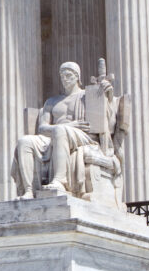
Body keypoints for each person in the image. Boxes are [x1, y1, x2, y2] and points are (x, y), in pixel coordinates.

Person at [11, 62, 96, 198]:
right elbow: (42, 127)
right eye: (62, 76)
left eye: (68, 75)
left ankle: (60, 180)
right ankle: (28, 190)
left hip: (82, 135)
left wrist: (107, 94)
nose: (65, 79)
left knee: (60, 131)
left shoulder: (88, 96)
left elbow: (106, 111)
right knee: (24, 141)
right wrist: (67, 126)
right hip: (55, 134)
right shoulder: (52, 101)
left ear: (77, 77)